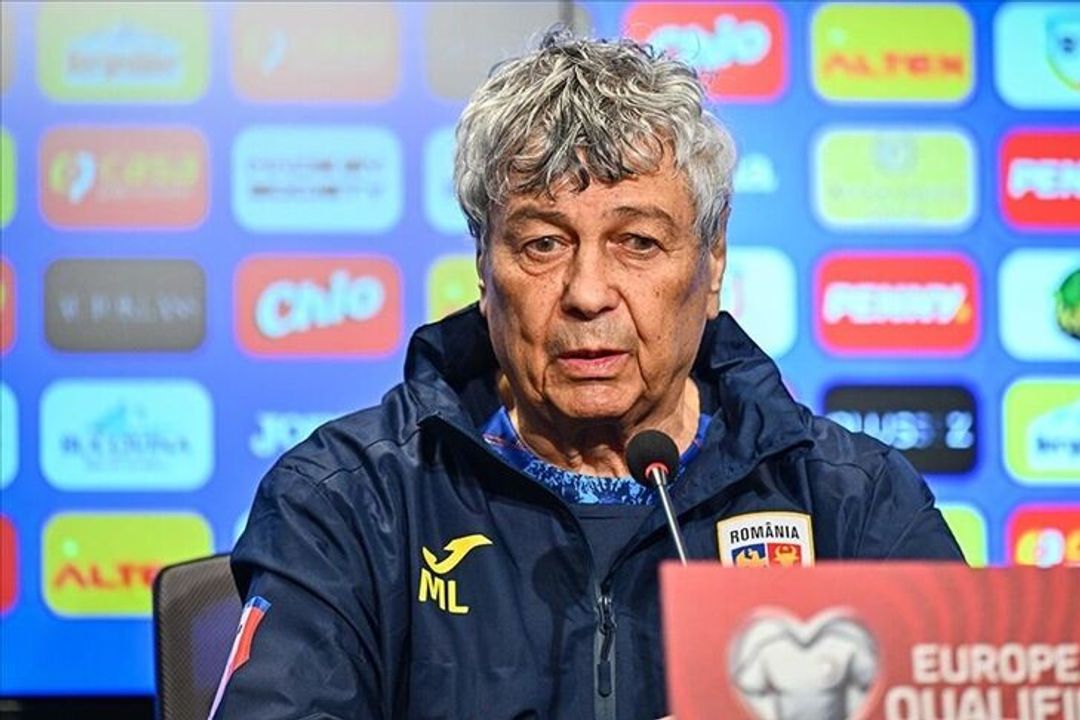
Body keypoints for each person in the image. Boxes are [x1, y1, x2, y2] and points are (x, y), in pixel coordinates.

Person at [211, 29, 963, 720]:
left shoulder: (848, 501)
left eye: (638, 242)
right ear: (484, 267)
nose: (588, 292)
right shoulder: (352, 500)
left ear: (712, 264)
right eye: (543, 244)